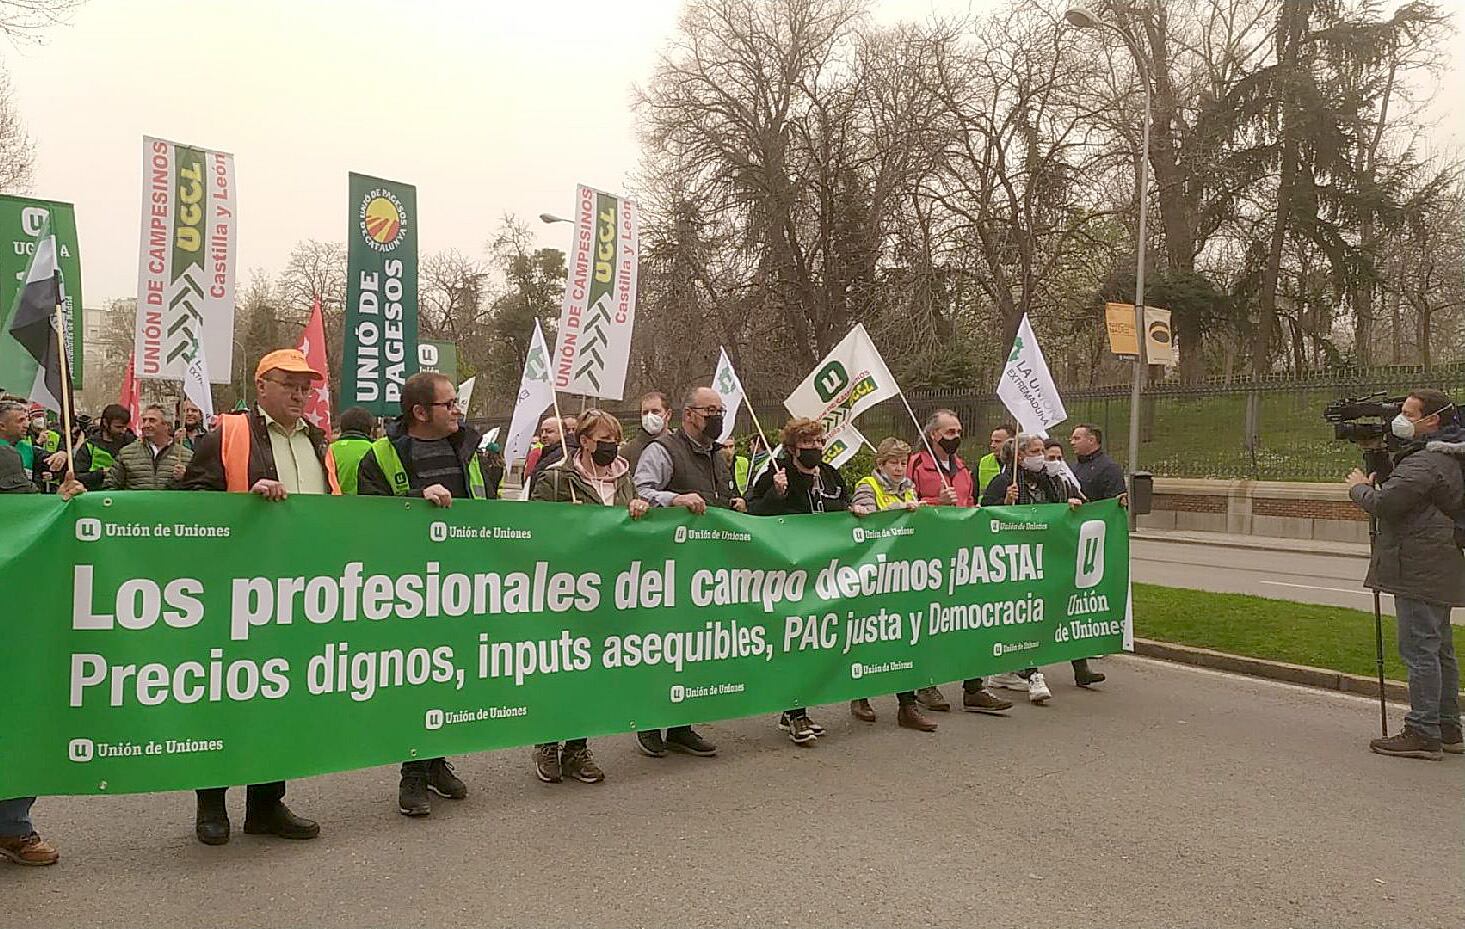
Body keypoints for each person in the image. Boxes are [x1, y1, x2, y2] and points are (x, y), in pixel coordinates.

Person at [179, 348, 337, 846]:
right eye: (287, 384)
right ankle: (211, 804)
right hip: (237, 592)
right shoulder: (228, 432)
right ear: (261, 386)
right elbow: (193, 500)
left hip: (299, 592)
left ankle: (267, 804)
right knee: (225, 696)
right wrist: (245, 498)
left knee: (282, 698)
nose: (298, 394)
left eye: (304, 386)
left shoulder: (318, 441)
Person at [355, 372, 480, 811]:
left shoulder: (467, 446)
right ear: (420, 412)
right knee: (414, 678)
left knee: (447, 674)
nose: (457, 412)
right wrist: (414, 499)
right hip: (408, 587)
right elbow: (369, 520)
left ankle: (434, 760)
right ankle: (412, 773)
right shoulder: (382, 456)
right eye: (449, 405)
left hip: (462, 583)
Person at [529, 409, 649, 782]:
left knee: (592, 669)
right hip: (565, 590)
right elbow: (535, 530)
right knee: (560, 667)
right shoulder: (555, 478)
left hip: (610, 588)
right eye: (603, 440)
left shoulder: (624, 477)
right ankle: (547, 742)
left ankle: (577, 748)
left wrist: (639, 508)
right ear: (583, 441)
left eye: (615, 439)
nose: (611, 446)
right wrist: (565, 521)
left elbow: (635, 529)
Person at [1347, 389, 1465, 760]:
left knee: (1420, 649)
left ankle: (1423, 731)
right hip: (1436, 563)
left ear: (1432, 421)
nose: (1401, 420)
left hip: (1418, 565)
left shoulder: (1426, 463)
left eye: (1408, 413)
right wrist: (1377, 455)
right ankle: (1447, 727)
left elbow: (1387, 503)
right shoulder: (1442, 456)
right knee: (1438, 647)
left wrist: (1358, 488)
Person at [633, 385, 749, 758]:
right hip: (667, 566)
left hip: (705, 567)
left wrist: (733, 503)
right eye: (710, 411)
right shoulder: (663, 451)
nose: (717, 417)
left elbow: (718, 495)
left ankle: (682, 724)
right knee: (662, 645)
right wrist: (675, 499)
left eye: (720, 410)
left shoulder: (718, 455)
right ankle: (649, 723)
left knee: (694, 647)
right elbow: (641, 492)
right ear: (688, 415)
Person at [747, 417, 872, 744]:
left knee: (818, 639)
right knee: (795, 640)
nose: (815, 449)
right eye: (808, 444)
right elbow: (753, 513)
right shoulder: (778, 474)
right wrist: (776, 494)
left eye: (819, 443)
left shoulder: (830, 475)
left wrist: (852, 510)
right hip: (789, 572)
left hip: (826, 572)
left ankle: (795, 710)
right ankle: (795, 712)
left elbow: (841, 506)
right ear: (792, 448)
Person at [0, 398, 84, 866]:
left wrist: (55, 505)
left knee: (15, 705)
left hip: (11, 595)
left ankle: (11, 826)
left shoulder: (11, 456)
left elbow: (21, 520)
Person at [905, 409, 1011, 715]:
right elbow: (902, 506)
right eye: (950, 432)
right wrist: (936, 502)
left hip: (961, 553)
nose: (957, 437)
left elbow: (968, 502)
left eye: (959, 431)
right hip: (925, 555)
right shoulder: (915, 464)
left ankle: (974, 686)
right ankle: (925, 683)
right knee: (929, 621)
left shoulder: (963, 468)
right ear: (934, 434)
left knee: (970, 618)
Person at [982, 433, 1088, 703]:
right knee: (1024, 614)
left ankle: (1010, 669)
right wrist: (1005, 503)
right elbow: (984, 518)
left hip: (1044, 558)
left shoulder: (1049, 481)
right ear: (1020, 456)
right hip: (1014, 562)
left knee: (1040, 614)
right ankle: (1032, 673)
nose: (1042, 456)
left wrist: (1070, 505)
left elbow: (1062, 506)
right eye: (1037, 451)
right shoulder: (1003, 482)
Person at [847, 438, 939, 732]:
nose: (899, 468)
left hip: (903, 574)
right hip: (873, 575)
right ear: (881, 464)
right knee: (868, 637)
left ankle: (907, 705)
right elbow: (865, 520)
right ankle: (859, 695)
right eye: (893, 463)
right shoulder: (867, 485)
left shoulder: (909, 486)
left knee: (905, 637)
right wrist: (901, 508)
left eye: (902, 462)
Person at [102, 404, 191, 491]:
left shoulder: (186, 456)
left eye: (152, 420)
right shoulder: (126, 453)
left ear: (167, 425)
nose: (146, 425)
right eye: (144, 420)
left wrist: (184, 478)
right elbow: (110, 487)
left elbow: (195, 492)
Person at [62, 403, 135, 490]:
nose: (123, 431)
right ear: (105, 423)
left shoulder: (131, 442)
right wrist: (101, 473)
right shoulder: (90, 446)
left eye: (125, 427)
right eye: (118, 427)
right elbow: (78, 476)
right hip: (97, 496)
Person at [1069, 424, 1127, 505]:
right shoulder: (1071, 468)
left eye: (1076, 439)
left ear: (1091, 440)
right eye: (1071, 439)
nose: (1072, 443)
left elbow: (1114, 503)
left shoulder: (1110, 468)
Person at [329, 407, 377, 495]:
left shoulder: (329, 450)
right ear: (370, 429)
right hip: (367, 504)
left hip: (335, 504)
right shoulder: (376, 450)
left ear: (342, 427)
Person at [623, 390, 671, 470]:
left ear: (668, 414)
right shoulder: (628, 451)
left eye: (655, 412)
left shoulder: (680, 446)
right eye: (645, 413)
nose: (649, 416)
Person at [977, 423, 1016, 494]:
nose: (992, 445)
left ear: (1011, 442)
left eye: (997, 441)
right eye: (992, 441)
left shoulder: (1018, 462)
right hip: (987, 504)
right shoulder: (984, 461)